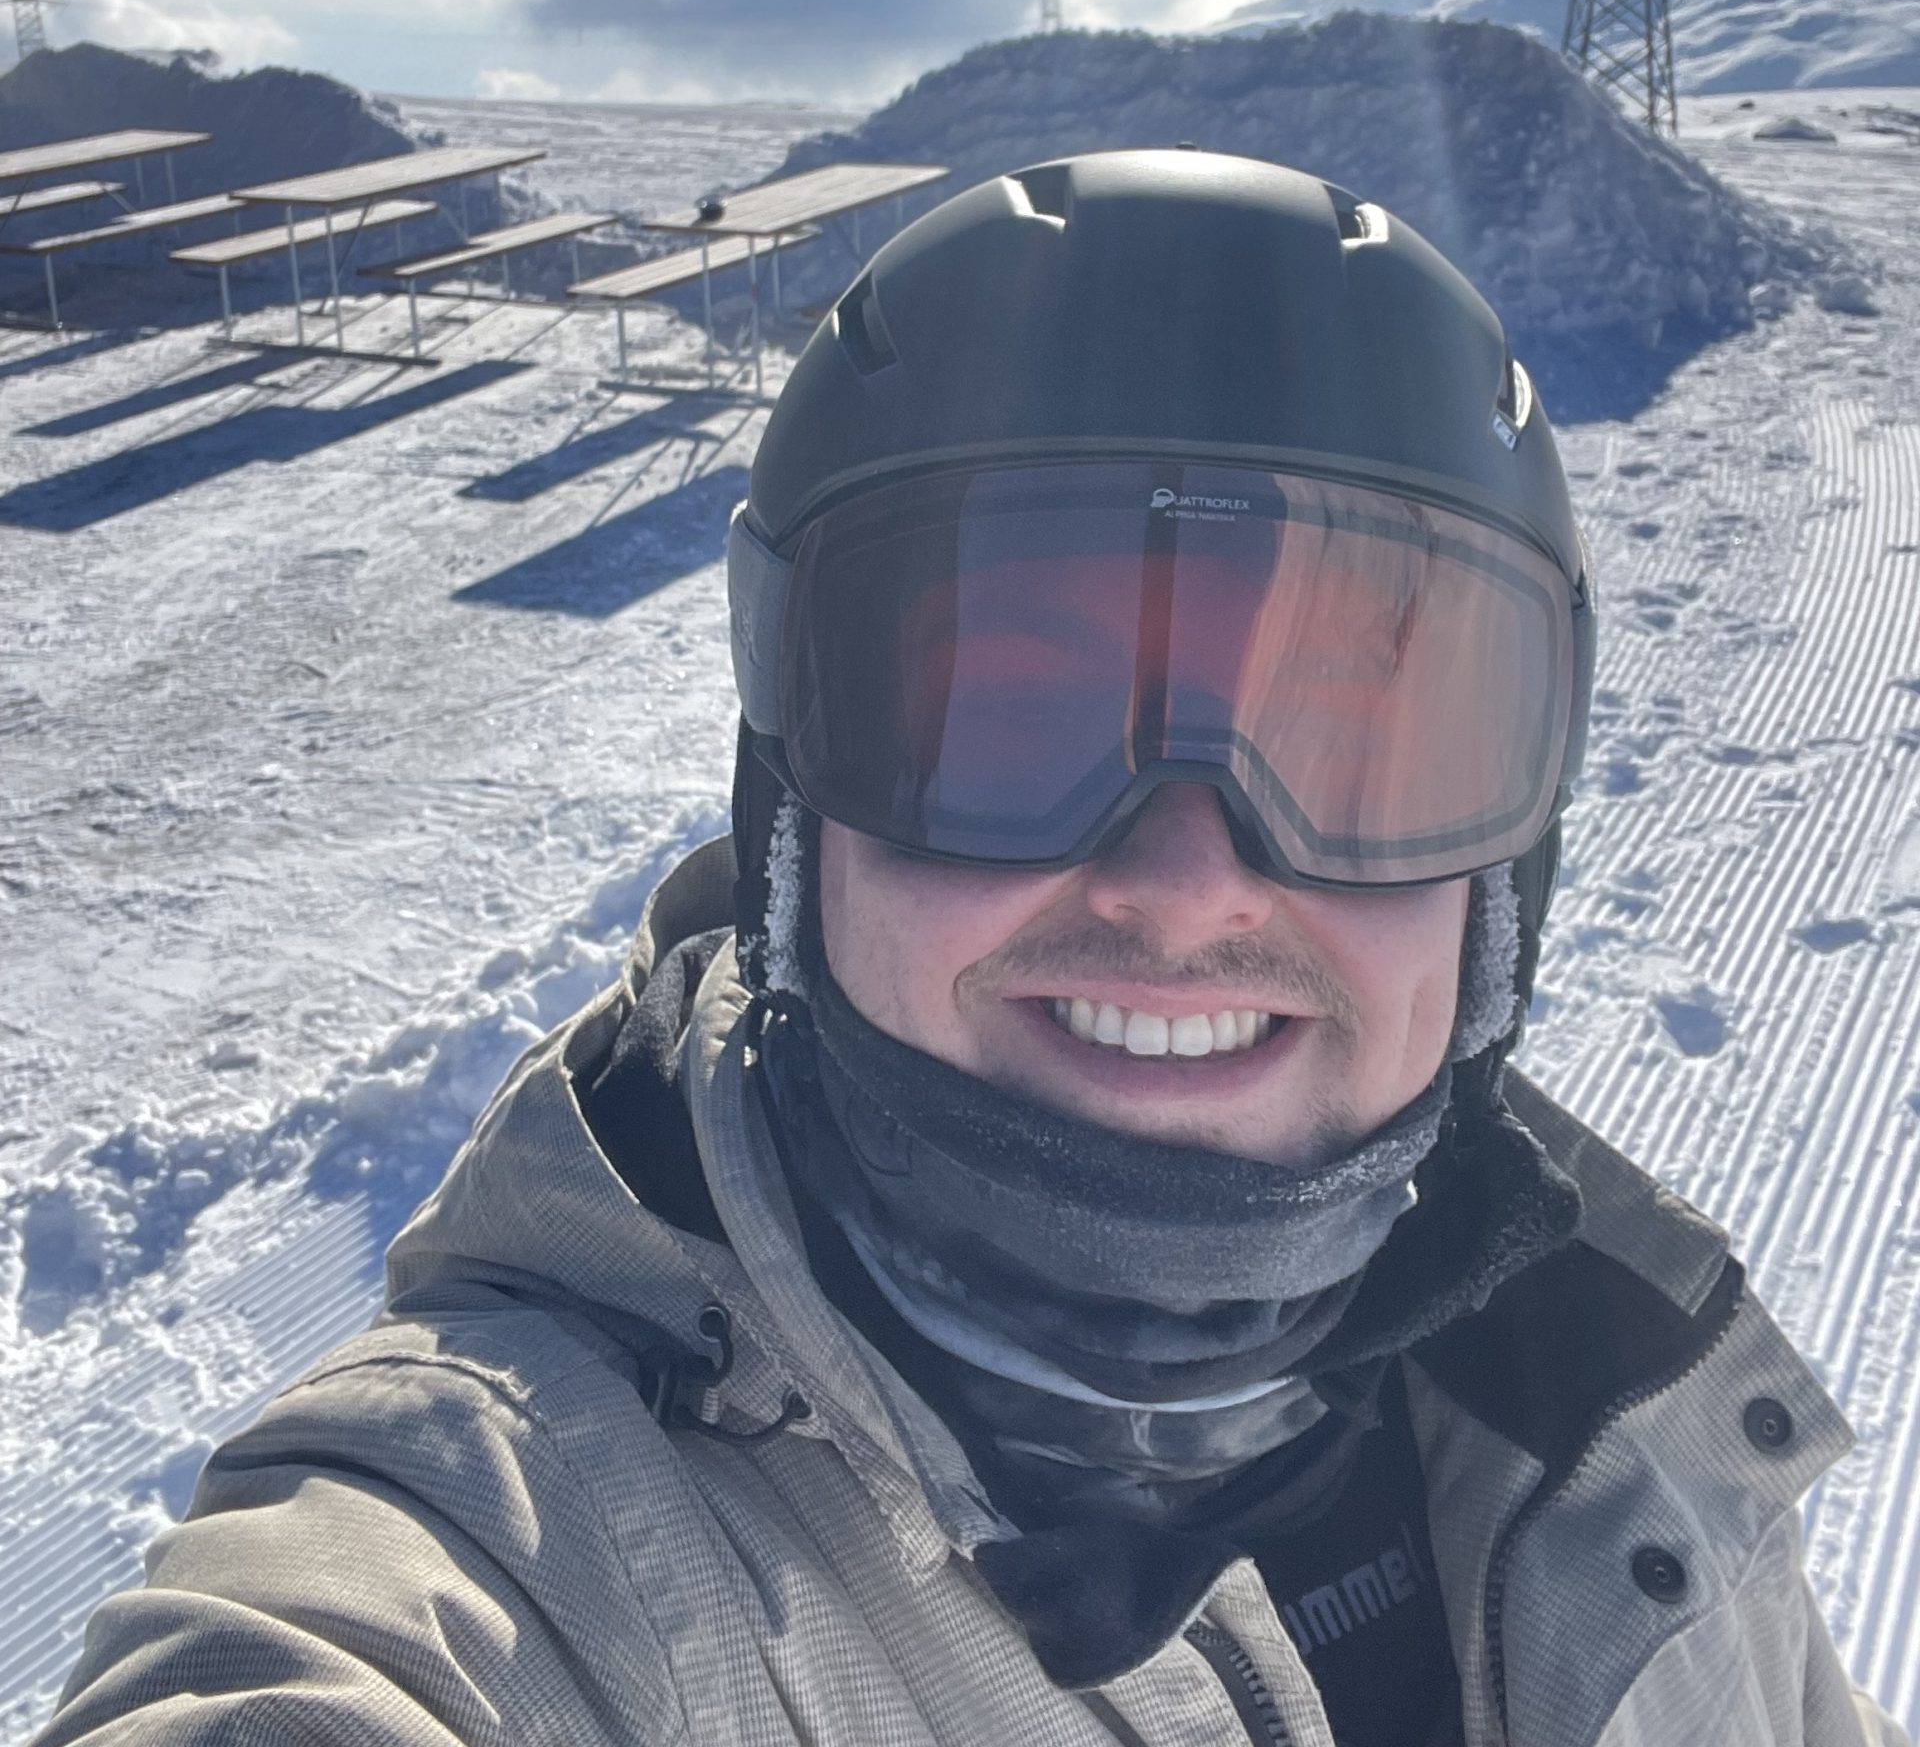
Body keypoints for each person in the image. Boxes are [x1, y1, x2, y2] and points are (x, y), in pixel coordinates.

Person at [41, 150, 1904, 1747]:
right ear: (796, 812)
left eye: (1357, 745)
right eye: (1012, 720)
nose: (1186, 885)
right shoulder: (534, 1542)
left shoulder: (1616, 1397)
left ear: (1505, 877)